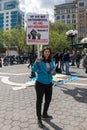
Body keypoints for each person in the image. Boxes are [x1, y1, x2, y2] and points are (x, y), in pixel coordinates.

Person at [32, 46, 56, 128]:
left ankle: (44, 114)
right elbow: (34, 69)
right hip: (40, 84)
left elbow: (54, 73)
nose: (47, 53)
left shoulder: (51, 61)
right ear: (43, 52)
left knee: (48, 100)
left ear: (50, 53)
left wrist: (53, 72)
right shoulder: (39, 61)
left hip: (49, 83)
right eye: (45, 51)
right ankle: (39, 119)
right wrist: (36, 63)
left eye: (48, 52)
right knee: (39, 101)